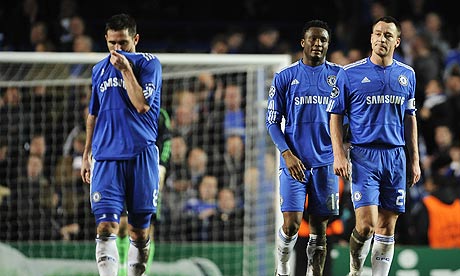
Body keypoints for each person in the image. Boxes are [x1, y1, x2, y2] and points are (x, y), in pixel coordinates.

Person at [326, 16, 421, 275]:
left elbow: (410, 119)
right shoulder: (349, 73)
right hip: (363, 156)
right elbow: (335, 115)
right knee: (366, 225)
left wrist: (414, 159)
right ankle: (356, 270)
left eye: (388, 35)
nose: (382, 38)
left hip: (395, 156)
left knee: (387, 226)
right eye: (378, 33)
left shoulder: (407, 74)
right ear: (371, 38)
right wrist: (338, 154)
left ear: (397, 41)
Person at [80, 13, 162, 276]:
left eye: (123, 43)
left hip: (141, 155)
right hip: (106, 158)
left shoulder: (149, 65)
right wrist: (86, 154)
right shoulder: (98, 71)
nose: (117, 49)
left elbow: (141, 104)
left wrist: (126, 68)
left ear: (135, 39)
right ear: (106, 39)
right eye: (112, 43)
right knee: (105, 227)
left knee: (139, 231)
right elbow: (93, 114)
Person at [266, 20, 341, 276]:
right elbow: (272, 122)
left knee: (320, 229)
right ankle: (283, 269)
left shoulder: (338, 77)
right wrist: (286, 154)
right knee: (292, 224)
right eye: (313, 38)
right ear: (303, 42)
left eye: (323, 40)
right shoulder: (285, 77)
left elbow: (350, 116)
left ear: (328, 45)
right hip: (294, 162)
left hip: (326, 163)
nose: (318, 44)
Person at [116, 107, 172, 276]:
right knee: (122, 225)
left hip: (149, 174)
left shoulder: (160, 114)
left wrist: (162, 166)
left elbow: (167, 141)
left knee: (146, 227)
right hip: (124, 171)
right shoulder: (119, 107)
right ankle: (121, 268)